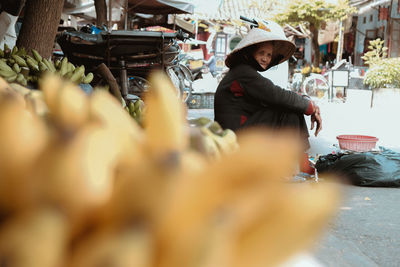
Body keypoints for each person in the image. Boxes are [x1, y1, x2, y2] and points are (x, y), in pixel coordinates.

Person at [214, 27, 322, 151]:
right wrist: (311, 107)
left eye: (269, 55)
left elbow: (277, 97)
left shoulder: (243, 71)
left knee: (290, 107)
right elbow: (277, 95)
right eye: (261, 53)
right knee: (289, 110)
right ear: (250, 52)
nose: (265, 58)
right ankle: (298, 159)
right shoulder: (243, 72)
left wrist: (307, 102)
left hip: (238, 131)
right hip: (235, 136)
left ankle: (296, 158)